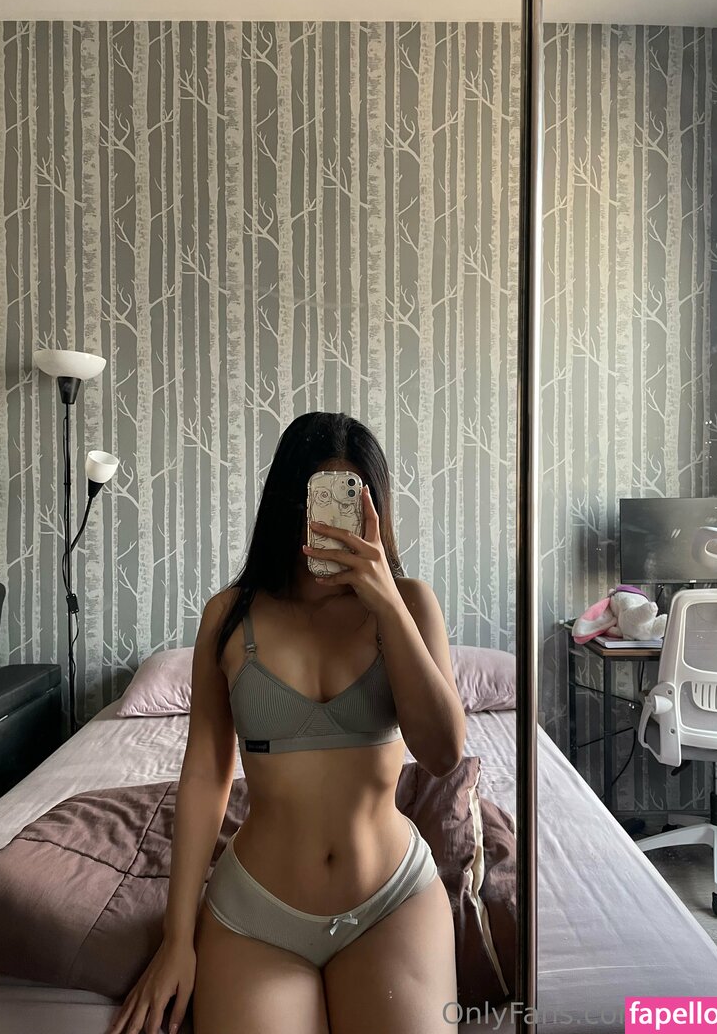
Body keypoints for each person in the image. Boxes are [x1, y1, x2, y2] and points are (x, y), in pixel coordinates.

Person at [108, 411, 466, 1034]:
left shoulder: (410, 604)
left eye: (351, 502)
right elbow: (205, 775)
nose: (331, 522)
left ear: (376, 510)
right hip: (257, 916)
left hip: (391, 902)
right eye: (319, 501)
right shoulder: (229, 616)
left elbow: (442, 753)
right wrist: (177, 938)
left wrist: (386, 602)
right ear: (288, 505)